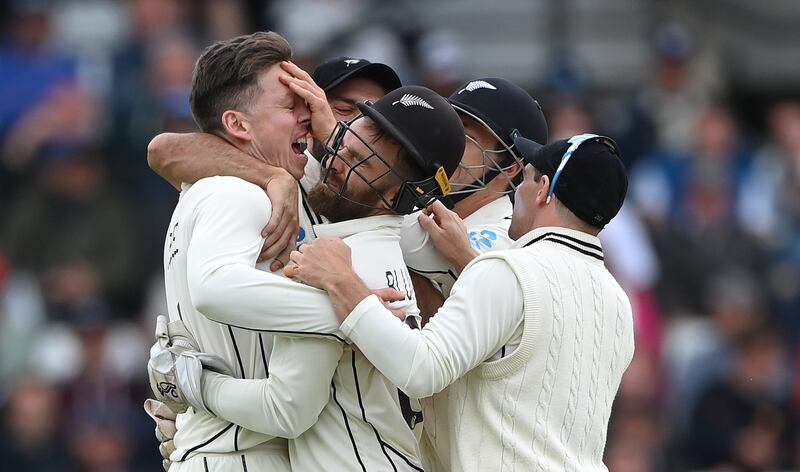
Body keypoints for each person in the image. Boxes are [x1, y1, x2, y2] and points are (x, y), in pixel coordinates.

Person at [150, 85, 465, 471]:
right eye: (344, 145)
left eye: (358, 163)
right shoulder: (372, 246)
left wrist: (193, 385)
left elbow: (284, 410)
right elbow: (166, 150)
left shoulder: (337, 267)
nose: (334, 162)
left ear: (398, 195)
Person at [285, 134, 635, 471]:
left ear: (543, 190)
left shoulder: (508, 269)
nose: (518, 194)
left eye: (526, 180)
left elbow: (421, 370)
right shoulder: (618, 301)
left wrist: (341, 281)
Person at [146, 56, 401, 269]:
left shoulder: (397, 187)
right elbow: (163, 150)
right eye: (345, 110)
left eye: (373, 117)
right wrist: (274, 176)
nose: (360, 127)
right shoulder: (259, 172)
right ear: (311, 109)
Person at [399, 77, 548, 317]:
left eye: (465, 138)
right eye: (447, 128)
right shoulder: (416, 203)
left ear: (510, 168)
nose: (445, 144)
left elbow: (402, 235)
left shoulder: (506, 240)